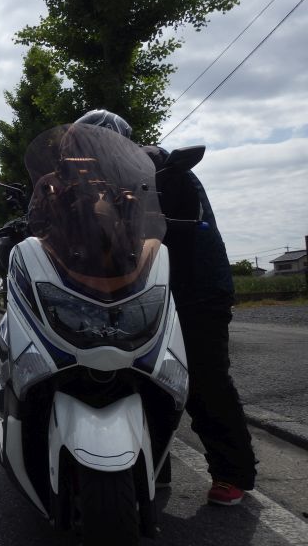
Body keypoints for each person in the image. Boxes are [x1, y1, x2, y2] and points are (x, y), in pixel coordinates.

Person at [74, 109, 257, 506]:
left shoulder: (161, 167)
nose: (88, 160)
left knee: (203, 378)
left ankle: (233, 472)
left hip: (196, 288)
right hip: (142, 291)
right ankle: (152, 464)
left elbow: (166, 225)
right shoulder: (103, 184)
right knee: (137, 374)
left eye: (93, 149)